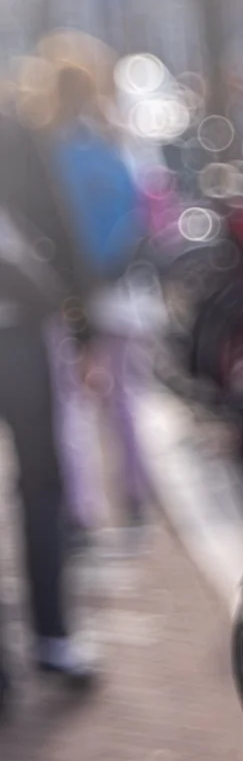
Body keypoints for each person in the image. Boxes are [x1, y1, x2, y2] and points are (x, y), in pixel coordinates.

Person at [38, 41, 158, 543]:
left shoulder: (47, 150)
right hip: (120, 286)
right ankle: (133, 494)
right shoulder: (118, 142)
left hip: (66, 289)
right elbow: (146, 210)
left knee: (68, 401)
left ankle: (81, 508)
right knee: (125, 395)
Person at [0, 70, 92, 694]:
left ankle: (51, 635)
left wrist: (80, 314)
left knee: (42, 481)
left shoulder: (15, 132)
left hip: (21, 334)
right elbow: (56, 228)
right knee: (40, 482)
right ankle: (49, 639)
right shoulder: (14, 131)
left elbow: (55, 225)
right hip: (19, 332)